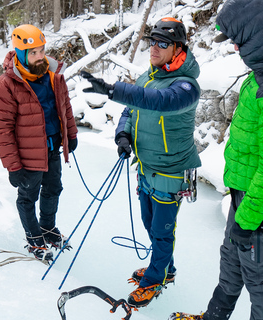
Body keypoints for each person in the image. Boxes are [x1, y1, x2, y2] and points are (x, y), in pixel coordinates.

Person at [169, 0, 263, 319]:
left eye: (239, 39)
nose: (235, 46)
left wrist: (246, 222)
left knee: (257, 277)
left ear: (258, 34)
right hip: (245, 193)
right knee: (232, 263)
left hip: (261, 203)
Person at [81, 17, 201, 308]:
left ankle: (154, 280)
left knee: (161, 231)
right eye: (152, 42)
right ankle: (166, 269)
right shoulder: (146, 78)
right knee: (151, 225)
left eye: (163, 43)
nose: (154, 48)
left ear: (178, 49)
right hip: (145, 168)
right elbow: (131, 110)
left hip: (172, 172)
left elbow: (158, 101)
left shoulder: (186, 86)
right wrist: (123, 133)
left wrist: (112, 89)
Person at [0, 24, 78, 263]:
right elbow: (2, 130)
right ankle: (34, 238)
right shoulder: (5, 86)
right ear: (20, 53)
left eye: (41, 50)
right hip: (26, 156)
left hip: (52, 148)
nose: (40, 56)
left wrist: (71, 134)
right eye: (33, 53)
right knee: (28, 197)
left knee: (53, 189)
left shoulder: (53, 76)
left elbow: (64, 107)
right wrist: (13, 166)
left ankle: (48, 229)